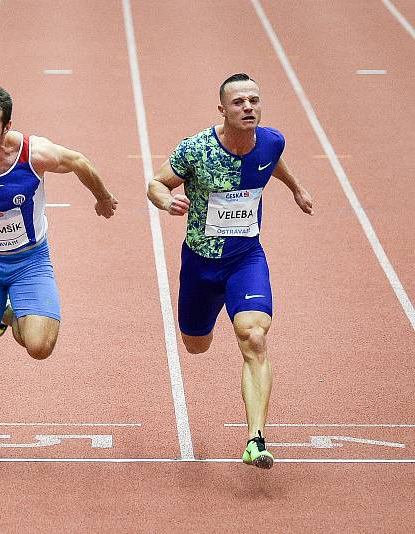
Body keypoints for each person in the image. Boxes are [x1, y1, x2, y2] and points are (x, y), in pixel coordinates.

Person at [0, 84, 118, 462]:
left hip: (30, 261)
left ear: (7, 125)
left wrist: (102, 197)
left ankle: (8, 313)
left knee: (40, 348)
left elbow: (78, 161)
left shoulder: (33, 153)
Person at [148, 73, 313, 469]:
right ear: (222, 109)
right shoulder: (196, 150)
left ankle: (255, 439)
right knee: (195, 345)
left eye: (254, 100)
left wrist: (296, 188)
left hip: (246, 259)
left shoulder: (272, 141)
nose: (248, 108)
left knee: (254, 337)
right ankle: (206, 321)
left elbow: (273, 163)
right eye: (239, 102)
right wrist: (164, 200)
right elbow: (155, 181)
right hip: (201, 266)